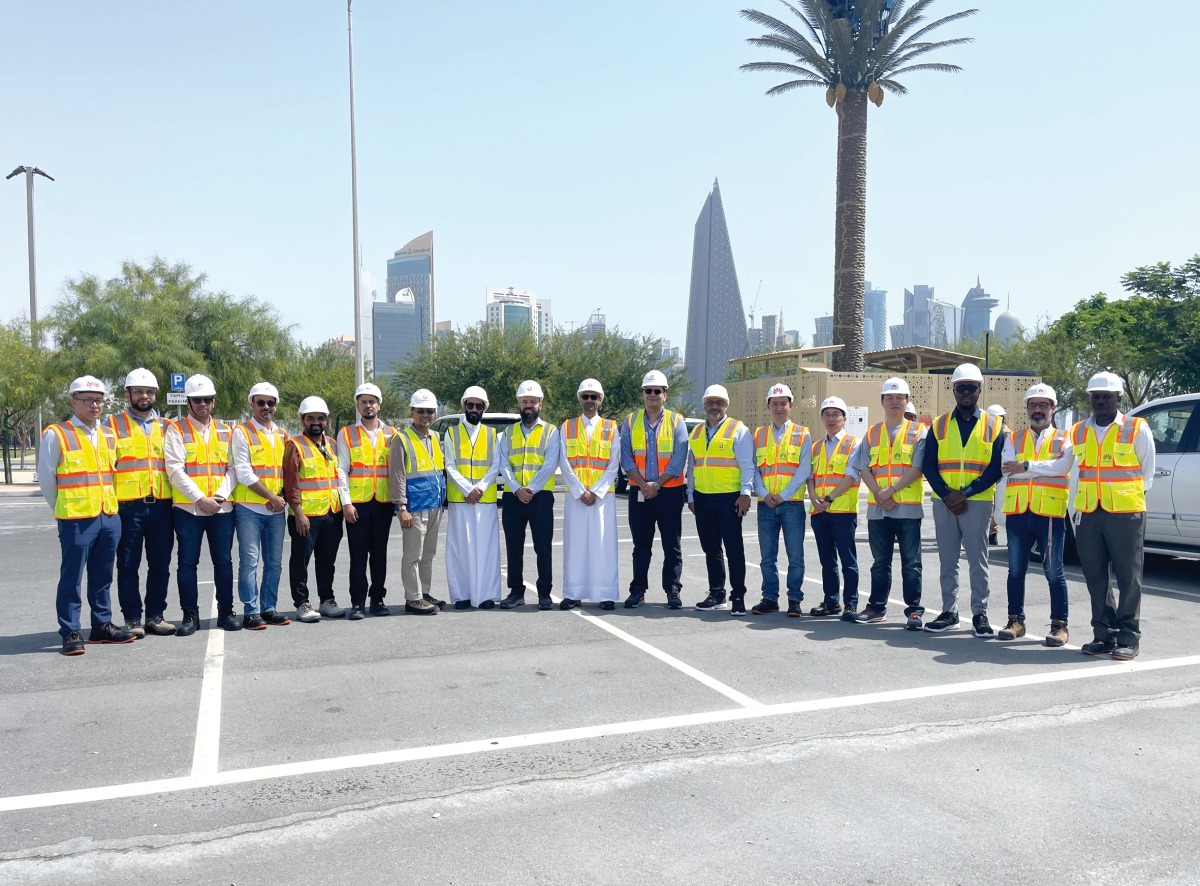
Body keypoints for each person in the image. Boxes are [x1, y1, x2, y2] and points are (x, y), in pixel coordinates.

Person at [1019, 371, 1155, 661]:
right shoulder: (1078, 431)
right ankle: (1103, 635)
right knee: (1095, 577)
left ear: (1119, 398)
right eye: (1096, 396)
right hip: (1089, 513)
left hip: (1126, 513)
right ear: (1090, 399)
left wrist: (1125, 500)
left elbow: (1147, 474)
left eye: (1107, 396)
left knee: (1130, 578)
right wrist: (1028, 465)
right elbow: (1062, 466)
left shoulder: (1136, 427)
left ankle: (1129, 637)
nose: (1101, 401)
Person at [37, 376, 135, 655]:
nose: (94, 405)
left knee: (103, 575)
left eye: (99, 400)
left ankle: (102, 625)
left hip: (108, 515)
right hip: (76, 518)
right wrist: (62, 508)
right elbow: (47, 478)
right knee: (72, 576)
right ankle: (70, 630)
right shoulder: (58, 433)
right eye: (87, 400)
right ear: (73, 401)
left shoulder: (108, 434)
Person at [922, 364, 1005, 636]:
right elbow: (929, 465)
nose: (966, 392)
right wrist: (947, 495)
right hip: (944, 502)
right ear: (953, 390)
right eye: (961, 388)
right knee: (947, 559)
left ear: (980, 390)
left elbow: (996, 468)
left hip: (978, 502)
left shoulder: (995, 426)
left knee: (977, 559)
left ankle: (980, 614)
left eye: (971, 387)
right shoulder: (939, 425)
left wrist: (965, 493)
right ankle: (949, 612)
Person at [163, 374, 240, 635]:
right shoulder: (176, 429)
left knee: (224, 562)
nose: (202, 404)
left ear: (214, 401)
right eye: (197, 400)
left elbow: (234, 468)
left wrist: (218, 496)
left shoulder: (227, 431)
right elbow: (175, 470)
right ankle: (190, 615)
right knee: (187, 563)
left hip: (222, 508)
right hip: (188, 509)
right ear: (188, 402)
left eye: (207, 399)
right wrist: (200, 499)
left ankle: (226, 612)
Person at [849, 377, 927, 629]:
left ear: (907, 401)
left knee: (911, 562)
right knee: (880, 562)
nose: (895, 402)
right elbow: (863, 468)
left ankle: (914, 610)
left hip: (908, 508)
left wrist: (890, 491)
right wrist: (880, 494)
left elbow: (917, 468)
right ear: (882, 401)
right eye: (890, 398)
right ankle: (876, 608)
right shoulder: (872, 432)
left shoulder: (918, 431)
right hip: (879, 510)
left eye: (899, 397)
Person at [997, 383, 1070, 646]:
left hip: (1048, 511)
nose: (1037, 410)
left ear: (1053, 408)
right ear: (1027, 408)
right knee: (1015, 570)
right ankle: (1015, 621)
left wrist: (1027, 465)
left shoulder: (1064, 437)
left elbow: (1063, 466)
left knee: (1053, 572)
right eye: (1032, 405)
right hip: (1019, 511)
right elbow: (1008, 468)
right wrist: (1045, 469)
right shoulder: (1013, 437)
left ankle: (1059, 626)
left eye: (1043, 405)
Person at [107, 368, 175, 638]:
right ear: (128, 394)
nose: (144, 396)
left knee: (160, 563)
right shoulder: (111, 426)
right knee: (127, 565)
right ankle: (133, 618)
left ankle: (156, 615)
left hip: (161, 505)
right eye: (138, 391)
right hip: (127, 506)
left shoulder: (168, 428)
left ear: (155, 395)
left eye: (149, 392)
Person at [620, 370, 688, 610]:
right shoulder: (630, 421)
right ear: (642, 394)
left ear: (665, 395)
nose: (652, 395)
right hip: (639, 491)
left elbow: (678, 460)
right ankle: (638, 589)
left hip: (669, 491)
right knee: (641, 545)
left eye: (657, 391)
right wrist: (643, 485)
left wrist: (656, 484)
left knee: (672, 544)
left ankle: (672, 589)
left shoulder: (677, 421)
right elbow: (626, 459)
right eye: (648, 390)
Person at [687, 384, 755, 615]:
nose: (714, 407)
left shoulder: (739, 430)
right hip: (703, 498)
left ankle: (738, 597)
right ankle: (717, 593)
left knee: (734, 549)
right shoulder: (695, 432)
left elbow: (748, 466)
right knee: (711, 549)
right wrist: (690, 495)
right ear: (704, 405)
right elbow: (692, 467)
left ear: (726, 405)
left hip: (729, 499)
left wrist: (745, 494)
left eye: (719, 403)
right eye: (710, 403)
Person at [284, 397, 352, 619]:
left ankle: (327, 600)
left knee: (327, 561)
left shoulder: (332, 444)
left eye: (320, 418)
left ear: (326, 420)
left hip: (332, 514)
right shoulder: (295, 446)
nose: (316, 422)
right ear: (302, 420)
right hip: (306, 516)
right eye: (310, 418)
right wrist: (299, 513)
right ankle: (302, 602)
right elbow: (290, 483)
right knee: (300, 562)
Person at [230, 382, 290, 630]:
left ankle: (269, 608)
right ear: (251, 403)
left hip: (276, 511)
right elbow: (243, 472)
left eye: (270, 403)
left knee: (274, 562)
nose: (266, 407)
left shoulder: (283, 434)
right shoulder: (241, 432)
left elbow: (287, 472)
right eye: (260, 402)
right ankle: (251, 611)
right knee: (250, 561)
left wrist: (282, 497)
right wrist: (271, 496)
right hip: (249, 508)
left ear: (276, 405)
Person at [558, 378, 621, 610]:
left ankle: (605, 594)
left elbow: (614, 463)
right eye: (585, 396)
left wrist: (596, 491)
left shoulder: (611, 427)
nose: (589, 401)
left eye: (594, 397)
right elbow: (563, 461)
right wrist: (579, 491)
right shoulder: (567, 427)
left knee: (603, 545)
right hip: (576, 498)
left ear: (600, 400)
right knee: (575, 545)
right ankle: (573, 593)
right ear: (579, 399)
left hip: (602, 498)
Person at [749, 383, 812, 617]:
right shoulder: (759, 434)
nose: (778, 407)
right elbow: (753, 469)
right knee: (767, 556)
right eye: (774, 404)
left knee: (795, 555)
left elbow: (804, 469)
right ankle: (770, 598)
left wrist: (783, 496)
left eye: (783, 403)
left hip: (792, 504)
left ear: (790, 406)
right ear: (768, 406)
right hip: (765, 504)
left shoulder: (802, 433)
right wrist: (764, 493)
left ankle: (794, 599)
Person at [337, 382, 396, 617]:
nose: (368, 405)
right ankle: (358, 602)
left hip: (383, 502)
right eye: (363, 401)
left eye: (372, 401)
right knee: (358, 554)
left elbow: (397, 470)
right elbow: (341, 469)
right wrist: (346, 502)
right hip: (358, 503)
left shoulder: (392, 434)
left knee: (379, 553)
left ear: (379, 405)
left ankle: (378, 599)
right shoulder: (347, 433)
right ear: (358, 405)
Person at [498, 380, 559, 610]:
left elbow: (549, 464)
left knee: (543, 546)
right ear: (519, 404)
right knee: (513, 546)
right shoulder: (507, 433)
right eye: (524, 401)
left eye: (533, 401)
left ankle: (544, 593)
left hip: (540, 496)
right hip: (514, 497)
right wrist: (516, 489)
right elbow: (503, 464)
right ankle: (516, 592)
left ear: (540, 404)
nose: (529, 405)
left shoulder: (551, 432)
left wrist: (530, 489)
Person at [444, 386, 503, 610]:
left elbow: (495, 465)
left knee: (486, 549)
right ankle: (462, 595)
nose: (474, 409)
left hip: (485, 500)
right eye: (471, 405)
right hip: (461, 500)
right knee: (460, 548)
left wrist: (478, 489)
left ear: (484, 409)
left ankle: (486, 594)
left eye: (479, 406)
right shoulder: (451, 433)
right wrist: (468, 489)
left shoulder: (492, 435)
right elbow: (449, 465)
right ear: (464, 406)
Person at [389, 389, 446, 615]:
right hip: (414, 506)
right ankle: (413, 599)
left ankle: (425, 593)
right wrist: (401, 507)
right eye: (421, 411)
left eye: (430, 411)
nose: (426, 415)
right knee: (413, 555)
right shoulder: (401, 439)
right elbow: (397, 475)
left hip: (434, 504)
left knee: (429, 553)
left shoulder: (435, 437)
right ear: (412, 412)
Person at [806, 395, 862, 618]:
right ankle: (831, 602)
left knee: (848, 560)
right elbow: (810, 475)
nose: (831, 418)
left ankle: (851, 603)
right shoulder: (817, 446)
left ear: (844, 418)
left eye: (835, 414)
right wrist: (812, 498)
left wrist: (828, 498)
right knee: (827, 561)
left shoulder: (853, 443)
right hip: (819, 512)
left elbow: (851, 476)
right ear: (821, 418)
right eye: (827, 415)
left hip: (843, 511)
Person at [986, 403, 1010, 546]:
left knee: (996, 505)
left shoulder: (996, 433)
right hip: (1001, 473)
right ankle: (993, 534)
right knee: (1000, 505)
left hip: (997, 473)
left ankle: (992, 534)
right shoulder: (1008, 433)